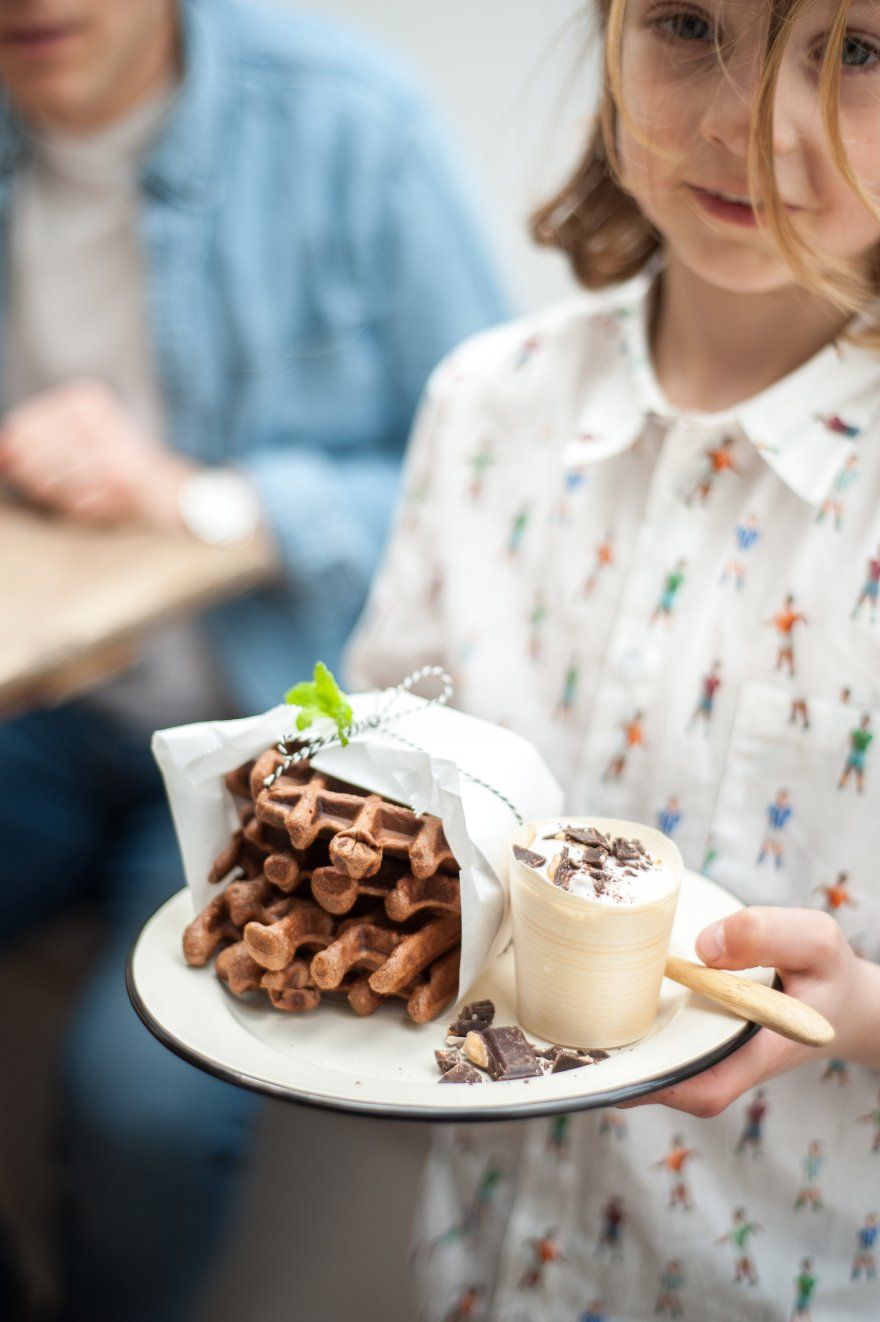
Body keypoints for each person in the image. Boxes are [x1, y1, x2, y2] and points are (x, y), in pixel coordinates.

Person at [346, 0, 880, 1315]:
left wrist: (863, 1005)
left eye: (862, 49)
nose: (746, 128)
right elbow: (382, 767)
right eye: (689, 25)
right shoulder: (482, 407)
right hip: (480, 1257)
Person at [0, 1, 506, 1318]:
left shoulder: (355, 129)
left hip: (287, 737)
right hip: (51, 716)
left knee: (144, 1110)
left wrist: (206, 497)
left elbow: (493, 468)